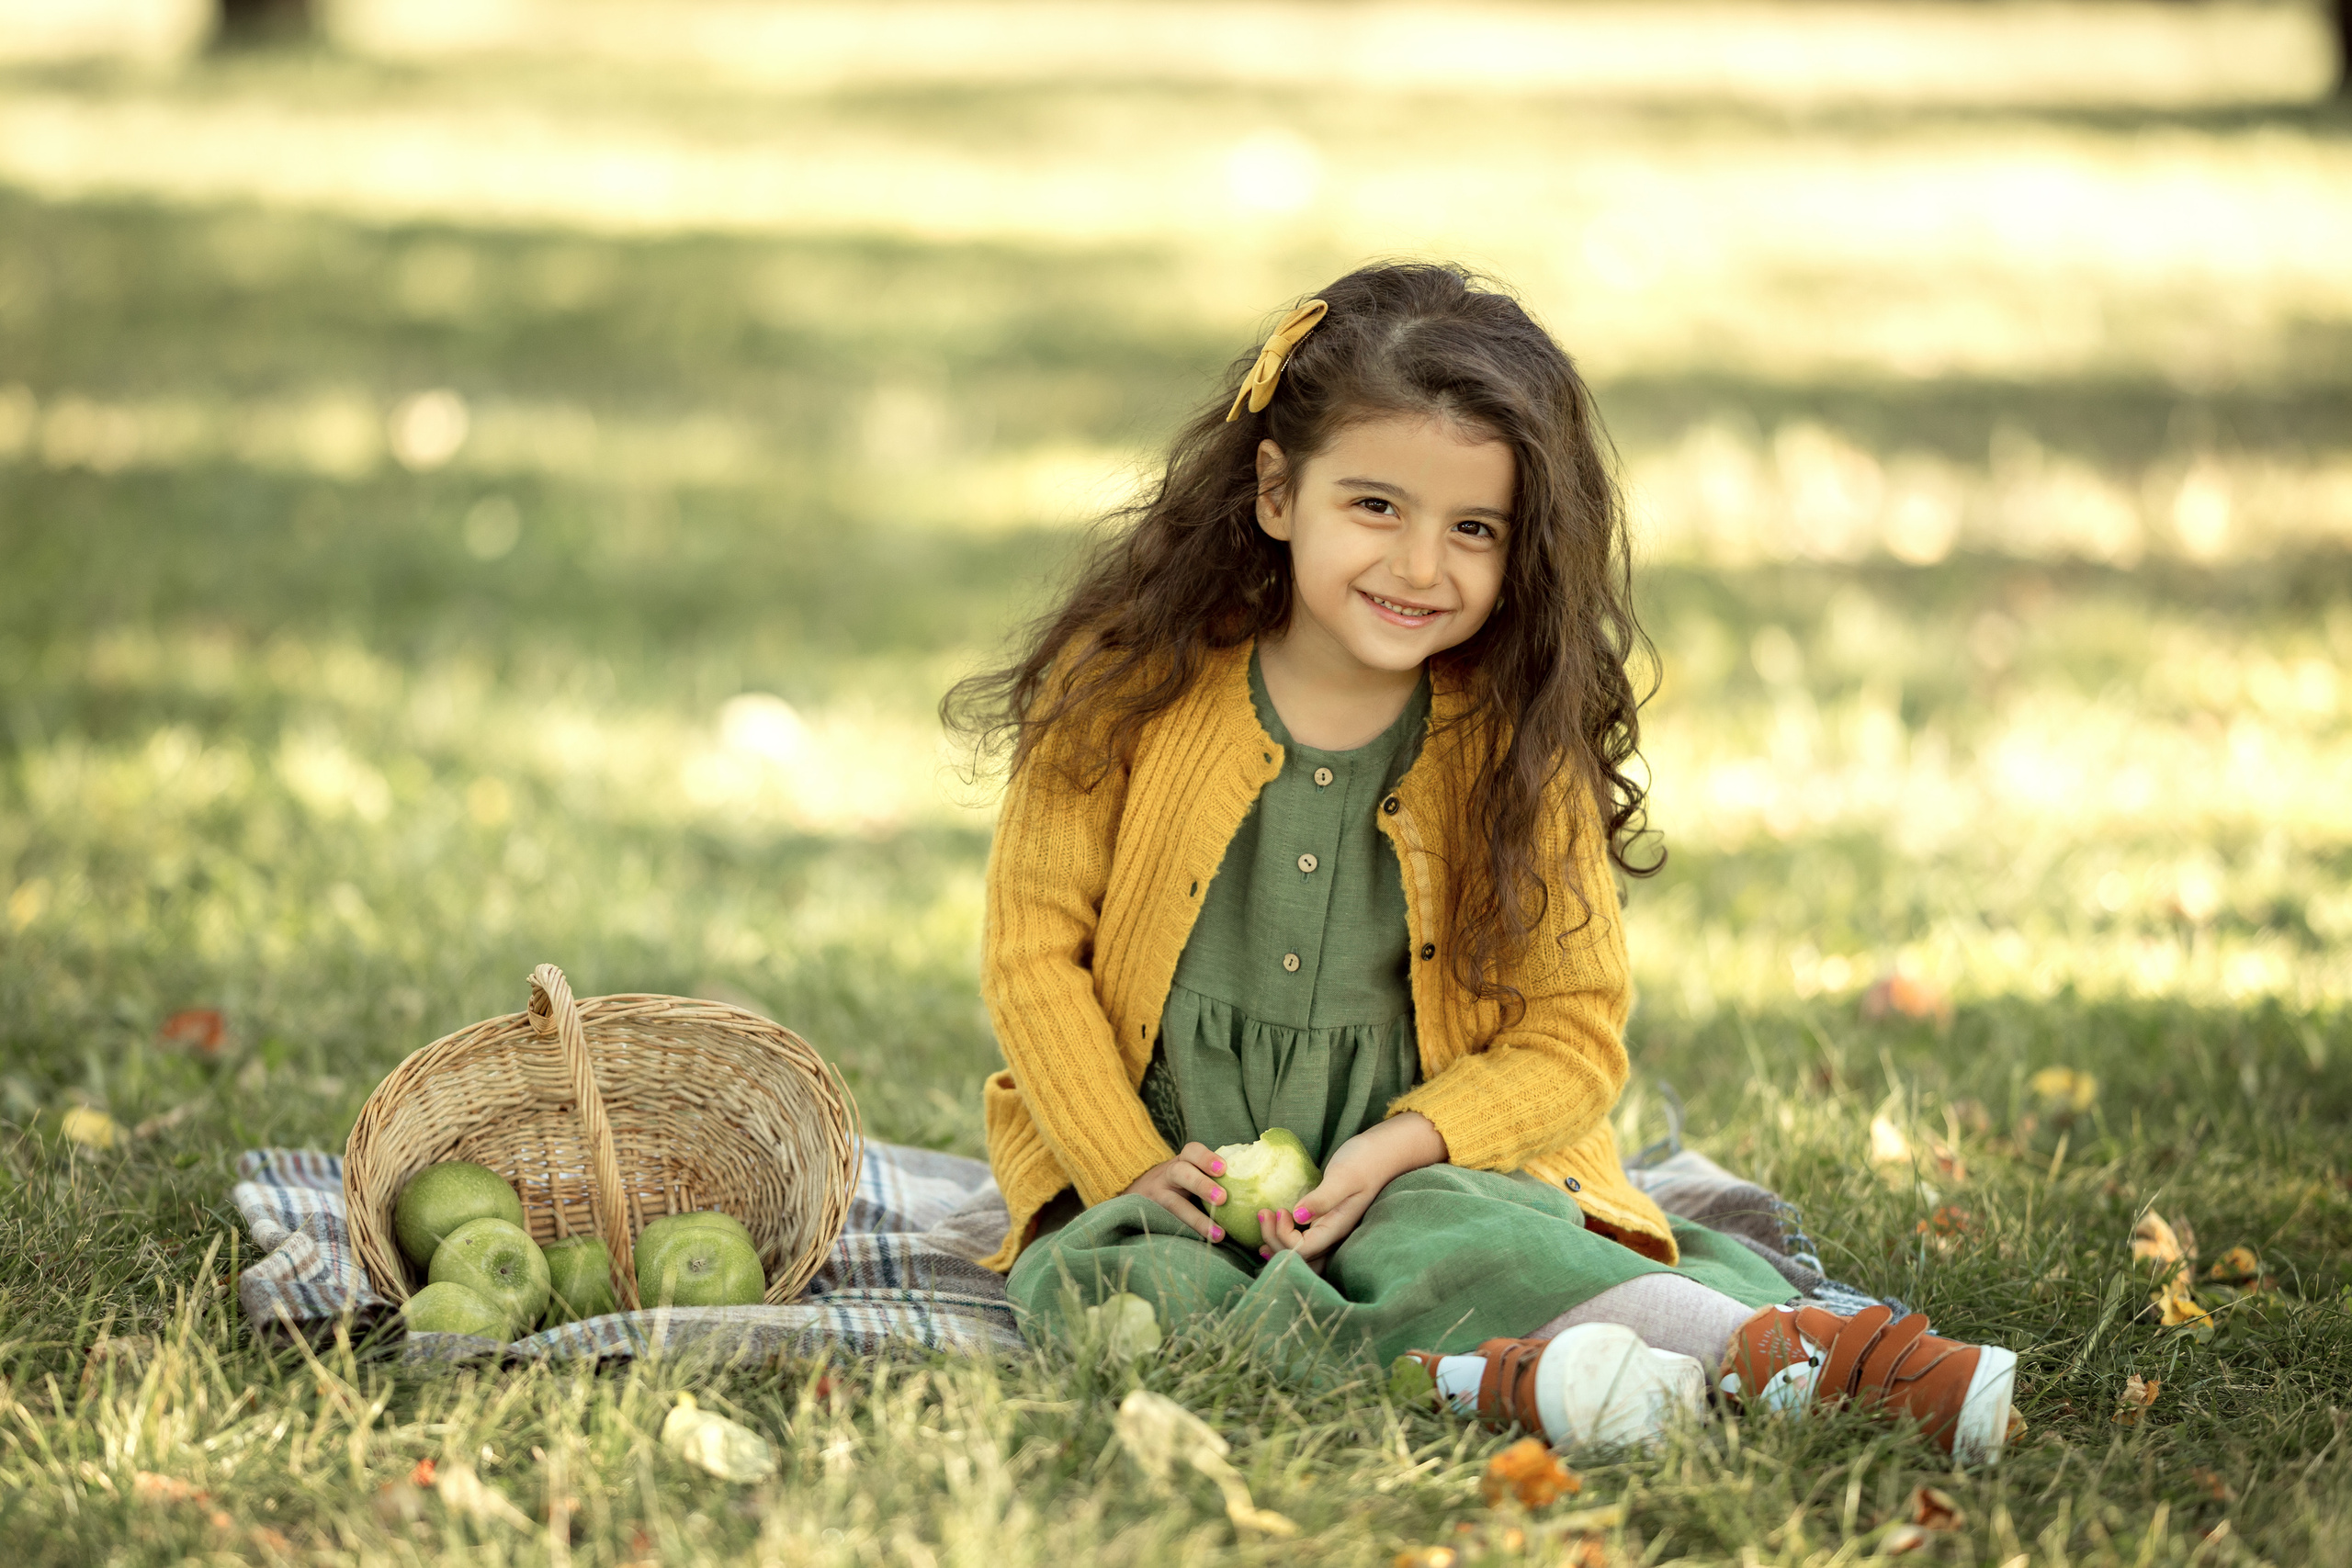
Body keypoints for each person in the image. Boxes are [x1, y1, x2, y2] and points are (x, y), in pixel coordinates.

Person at [946, 263, 2015, 1461]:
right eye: (1376, 508)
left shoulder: (1510, 738)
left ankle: (1792, 1353)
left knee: (1485, 1240)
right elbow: (1033, 956)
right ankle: (1505, 1376)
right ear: (1277, 490)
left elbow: (1572, 1036)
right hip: (1171, 1168)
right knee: (1119, 1300)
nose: (1419, 567)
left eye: (1473, 530)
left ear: (1525, 547)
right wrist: (1126, 1164)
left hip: (1413, 1162)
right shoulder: (1126, 679)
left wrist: (1400, 1147)